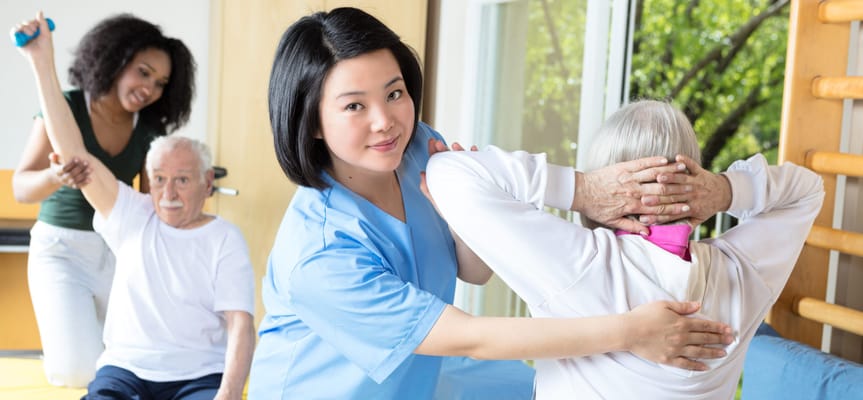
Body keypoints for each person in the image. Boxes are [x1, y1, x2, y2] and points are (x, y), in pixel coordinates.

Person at [249, 8, 737, 399]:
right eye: (354, 105)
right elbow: (471, 338)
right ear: (311, 121)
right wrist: (631, 331)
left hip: (420, 376)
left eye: (394, 93)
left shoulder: (417, 148)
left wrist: (458, 210)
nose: (386, 121)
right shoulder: (318, 256)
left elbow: (474, 270)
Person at [425, 99, 825, 399]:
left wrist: (584, 190)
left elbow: (449, 172)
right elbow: (806, 190)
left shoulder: (583, 264)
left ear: (611, 180)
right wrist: (724, 191)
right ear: (694, 176)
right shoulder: (741, 273)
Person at [14, 12, 254, 400]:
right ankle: (61, 347)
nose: (150, 88)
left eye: (160, 83)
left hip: (116, 246)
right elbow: (30, 183)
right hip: (64, 247)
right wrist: (55, 176)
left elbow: (159, 203)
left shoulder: (148, 132)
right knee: (78, 370)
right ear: (115, 60)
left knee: (136, 344)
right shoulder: (68, 109)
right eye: (143, 73)